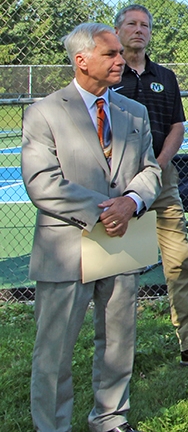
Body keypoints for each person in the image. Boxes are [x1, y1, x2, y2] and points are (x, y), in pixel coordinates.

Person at [22, 23, 162, 432]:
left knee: (118, 343)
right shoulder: (44, 112)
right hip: (66, 249)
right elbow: (42, 183)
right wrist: (106, 210)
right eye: (111, 54)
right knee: (54, 351)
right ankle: (52, 426)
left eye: (120, 53)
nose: (122, 59)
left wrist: (132, 201)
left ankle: (110, 419)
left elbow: (150, 169)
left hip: (121, 246)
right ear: (82, 61)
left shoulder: (132, 111)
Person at [113, 4, 188, 366]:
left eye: (145, 25)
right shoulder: (109, 72)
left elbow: (177, 127)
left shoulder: (164, 76)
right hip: (116, 184)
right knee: (118, 271)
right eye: (132, 24)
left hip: (162, 181)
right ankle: (117, 353)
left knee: (180, 262)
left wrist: (156, 166)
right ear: (118, 29)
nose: (139, 30)